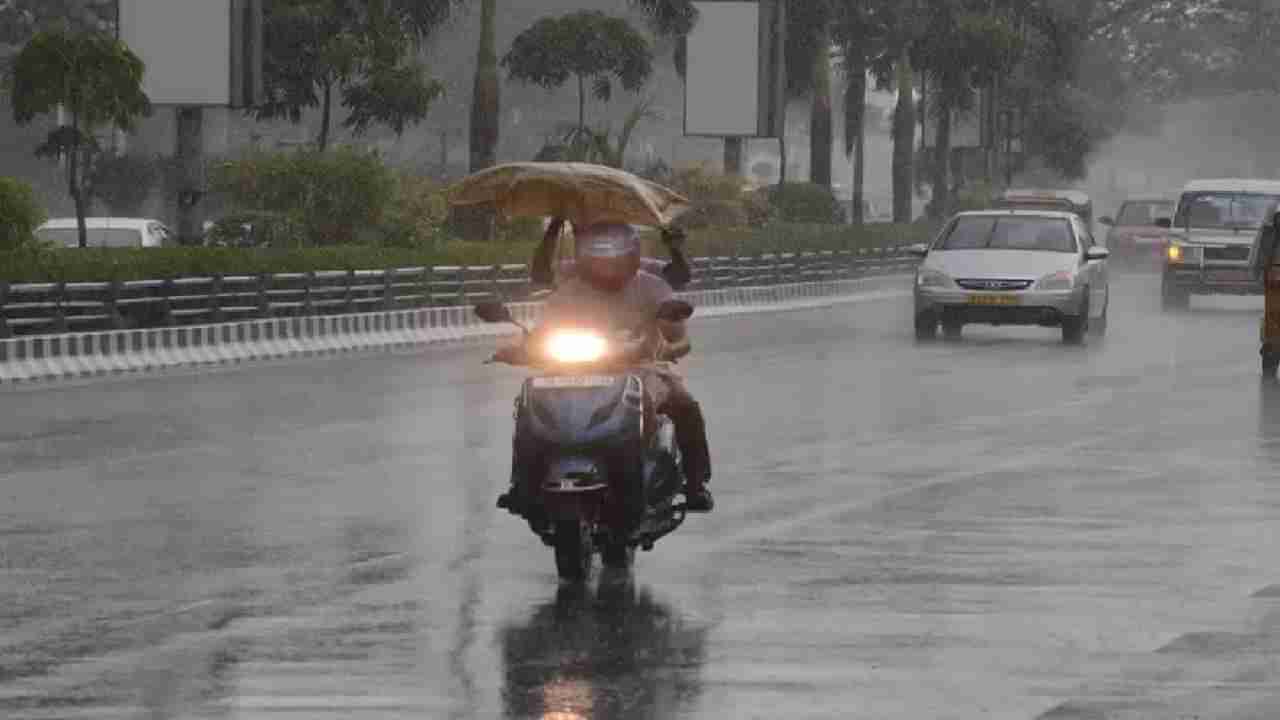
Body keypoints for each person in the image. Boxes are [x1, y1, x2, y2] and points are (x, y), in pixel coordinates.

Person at [496, 222, 714, 514]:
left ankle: (696, 483)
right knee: (528, 404)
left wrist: (668, 348)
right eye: (598, 256)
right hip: (571, 369)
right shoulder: (568, 289)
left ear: (632, 253)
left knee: (685, 405)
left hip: (641, 367)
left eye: (614, 255)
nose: (606, 263)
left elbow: (679, 336)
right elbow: (543, 330)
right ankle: (523, 484)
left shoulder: (652, 285)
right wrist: (521, 349)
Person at [530, 217, 692, 290]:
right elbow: (540, 275)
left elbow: (680, 277)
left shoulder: (640, 269)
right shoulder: (577, 271)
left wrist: (674, 248)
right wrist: (555, 224)